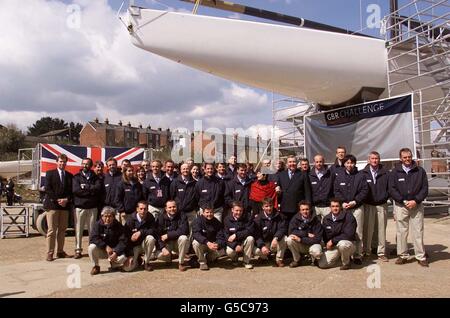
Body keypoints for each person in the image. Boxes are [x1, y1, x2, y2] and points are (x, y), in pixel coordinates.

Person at [389, 147, 429, 267]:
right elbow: (392, 189)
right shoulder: (395, 172)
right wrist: (403, 200)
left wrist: (416, 200)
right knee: (401, 232)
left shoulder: (420, 171)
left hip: (416, 205)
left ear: (412, 157)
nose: (407, 159)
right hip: (401, 206)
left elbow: (425, 189)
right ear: (400, 158)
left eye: (409, 157)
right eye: (405, 157)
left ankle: (420, 256)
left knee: (418, 231)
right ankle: (402, 255)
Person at [333, 154, 368, 264]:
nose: (349, 165)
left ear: (354, 163)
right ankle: (345, 254)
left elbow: (364, 190)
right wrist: (342, 202)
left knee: (358, 232)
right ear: (344, 164)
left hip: (357, 208)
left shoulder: (360, 176)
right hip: (344, 209)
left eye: (351, 162)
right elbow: (336, 190)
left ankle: (358, 255)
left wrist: (355, 201)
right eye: (347, 162)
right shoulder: (339, 176)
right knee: (343, 231)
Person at [43, 154, 73, 261]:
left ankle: (60, 251)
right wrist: (57, 200)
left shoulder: (70, 176)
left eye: (64, 162)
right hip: (52, 206)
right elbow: (48, 189)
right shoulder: (50, 174)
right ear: (57, 162)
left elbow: (71, 191)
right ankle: (50, 252)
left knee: (62, 230)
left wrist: (66, 200)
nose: (62, 163)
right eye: (60, 161)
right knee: (51, 230)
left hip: (64, 207)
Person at [72, 157, 103, 259]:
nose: (85, 165)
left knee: (92, 230)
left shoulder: (96, 178)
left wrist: (85, 187)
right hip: (80, 207)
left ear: (90, 166)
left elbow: (97, 189)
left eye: (87, 164)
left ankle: (91, 249)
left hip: (92, 207)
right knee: (78, 230)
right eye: (83, 164)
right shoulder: (76, 177)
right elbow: (76, 191)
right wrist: (90, 190)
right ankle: (78, 250)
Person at [362, 151, 389, 262]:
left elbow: (389, 188)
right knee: (368, 229)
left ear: (379, 159)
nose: (375, 160)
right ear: (369, 160)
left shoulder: (385, 172)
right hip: (368, 205)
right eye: (372, 158)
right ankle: (367, 251)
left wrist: (385, 197)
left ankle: (381, 252)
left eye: (377, 158)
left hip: (382, 205)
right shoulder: (363, 173)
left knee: (381, 229)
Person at [88, 206, 130, 275]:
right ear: (102, 216)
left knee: (122, 258)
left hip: (114, 251)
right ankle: (96, 266)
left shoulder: (118, 226)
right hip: (103, 250)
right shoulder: (97, 225)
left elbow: (123, 241)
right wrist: (105, 246)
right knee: (91, 247)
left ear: (113, 217)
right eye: (105, 216)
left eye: (110, 216)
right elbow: (93, 238)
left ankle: (114, 264)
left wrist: (116, 252)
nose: (107, 219)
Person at [318, 198, 357, 270]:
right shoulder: (326, 219)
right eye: (333, 206)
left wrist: (332, 241)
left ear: (340, 207)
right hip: (334, 246)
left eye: (337, 206)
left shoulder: (349, 217)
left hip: (348, 244)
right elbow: (325, 236)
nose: (335, 208)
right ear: (330, 208)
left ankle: (346, 263)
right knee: (322, 264)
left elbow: (349, 235)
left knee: (343, 244)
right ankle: (341, 259)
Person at [286, 201, 323, 267]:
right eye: (303, 210)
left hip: (313, 244)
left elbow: (317, 239)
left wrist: (301, 239)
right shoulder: (295, 218)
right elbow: (291, 232)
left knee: (317, 252)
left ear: (310, 209)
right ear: (300, 211)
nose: (305, 211)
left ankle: (314, 260)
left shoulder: (316, 219)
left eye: (307, 209)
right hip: (302, 244)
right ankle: (297, 260)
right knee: (289, 239)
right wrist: (306, 234)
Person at [275, 155, 312, 222]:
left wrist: (308, 205)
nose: (292, 164)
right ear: (287, 164)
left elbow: (307, 191)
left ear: (297, 163)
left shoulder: (303, 174)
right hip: (285, 207)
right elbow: (278, 188)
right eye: (290, 162)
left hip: (298, 207)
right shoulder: (281, 174)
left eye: (294, 162)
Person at [156, 200, 190, 271]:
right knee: (158, 255)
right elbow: (157, 235)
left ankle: (181, 262)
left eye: (174, 207)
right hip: (167, 244)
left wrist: (168, 235)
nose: (172, 209)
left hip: (178, 243)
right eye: (170, 207)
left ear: (177, 207)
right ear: (166, 209)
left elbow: (185, 230)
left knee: (184, 238)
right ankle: (169, 258)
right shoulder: (161, 218)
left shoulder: (182, 215)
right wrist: (162, 248)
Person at [124, 201, 157, 272]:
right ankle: (138, 260)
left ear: (147, 209)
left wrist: (141, 232)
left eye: (145, 209)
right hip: (133, 247)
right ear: (137, 209)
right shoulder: (130, 219)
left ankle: (147, 262)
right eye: (141, 209)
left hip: (144, 244)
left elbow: (153, 231)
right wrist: (130, 255)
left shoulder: (150, 217)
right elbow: (125, 238)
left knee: (151, 238)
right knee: (128, 269)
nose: (143, 211)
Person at [253, 198, 287, 267]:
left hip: (274, 242)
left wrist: (276, 237)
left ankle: (279, 259)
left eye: (270, 206)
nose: (269, 208)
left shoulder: (279, 216)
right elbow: (256, 235)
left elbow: (282, 228)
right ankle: (263, 257)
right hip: (264, 243)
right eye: (266, 206)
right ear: (262, 207)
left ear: (273, 206)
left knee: (285, 238)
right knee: (256, 251)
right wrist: (262, 246)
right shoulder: (258, 219)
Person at [192, 205, 226, 270]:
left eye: (211, 212)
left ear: (213, 213)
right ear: (203, 213)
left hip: (213, 245)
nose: (209, 214)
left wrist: (217, 244)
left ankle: (207, 258)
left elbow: (221, 236)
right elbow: (196, 234)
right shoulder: (198, 221)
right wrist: (207, 242)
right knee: (195, 243)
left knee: (223, 251)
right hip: (203, 244)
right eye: (207, 212)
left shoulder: (217, 222)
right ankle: (202, 262)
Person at [170, 163, 199, 241]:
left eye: (187, 169)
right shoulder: (175, 182)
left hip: (191, 212)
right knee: (179, 229)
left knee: (191, 230)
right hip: (178, 212)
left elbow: (197, 197)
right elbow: (172, 196)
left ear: (189, 170)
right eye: (184, 169)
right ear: (180, 170)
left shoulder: (195, 183)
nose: (185, 170)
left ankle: (189, 248)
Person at [223, 201, 255, 269]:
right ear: (232, 210)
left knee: (250, 238)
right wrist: (235, 246)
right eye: (236, 210)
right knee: (229, 252)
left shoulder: (248, 217)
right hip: (233, 243)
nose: (238, 212)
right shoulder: (227, 219)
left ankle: (246, 261)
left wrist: (236, 235)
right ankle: (235, 259)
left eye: (240, 211)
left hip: (244, 241)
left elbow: (250, 231)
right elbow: (226, 236)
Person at [309, 154, 334, 221]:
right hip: (315, 207)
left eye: (320, 161)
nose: (319, 163)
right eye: (317, 162)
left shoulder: (330, 174)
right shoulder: (309, 175)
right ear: (314, 163)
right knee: (316, 228)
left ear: (323, 162)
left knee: (328, 227)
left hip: (327, 206)